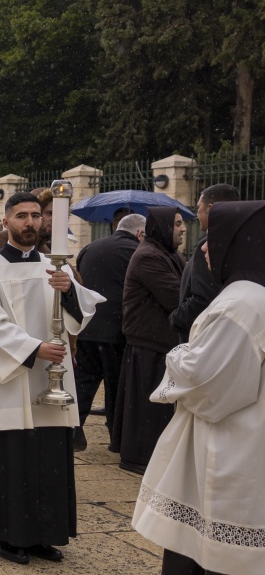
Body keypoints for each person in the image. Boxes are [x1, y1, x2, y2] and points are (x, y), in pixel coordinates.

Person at [0, 192, 103, 565]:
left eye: (35, 216)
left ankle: (44, 532)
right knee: (12, 455)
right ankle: (7, 534)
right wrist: (31, 348)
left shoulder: (56, 267)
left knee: (48, 455)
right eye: (21, 215)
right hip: (8, 377)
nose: (30, 222)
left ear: (44, 222)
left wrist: (69, 290)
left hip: (50, 380)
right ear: (5, 222)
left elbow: (83, 311)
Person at [131, 201, 265, 575]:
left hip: (228, 447)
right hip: (244, 441)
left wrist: (178, 354)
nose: (204, 247)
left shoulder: (242, 305)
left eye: (214, 238)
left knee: (208, 552)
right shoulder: (251, 296)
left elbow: (208, 385)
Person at [111, 207, 185, 475]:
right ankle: (140, 458)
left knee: (152, 409)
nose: (183, 229)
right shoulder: (149, 257)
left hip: (158, 340)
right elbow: (177, 296)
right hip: (149, 342)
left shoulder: (166, 253)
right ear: (163, 227)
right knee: (147, 411)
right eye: (177, 224)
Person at [73, 212, 144, 451]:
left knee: (83, 380)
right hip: (116, 331)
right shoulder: (136, 252)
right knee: (116, 386)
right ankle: (117, 436)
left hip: (86, 325)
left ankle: (73, 429)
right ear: (140, 233)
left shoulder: (91, 247)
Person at [169, 184, 240, 343]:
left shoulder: (210, 247)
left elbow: (203, 299)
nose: (197, 214)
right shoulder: (237, 241)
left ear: (210, 208)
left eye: (199, 208)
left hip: (200, 338)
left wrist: (176, 319)